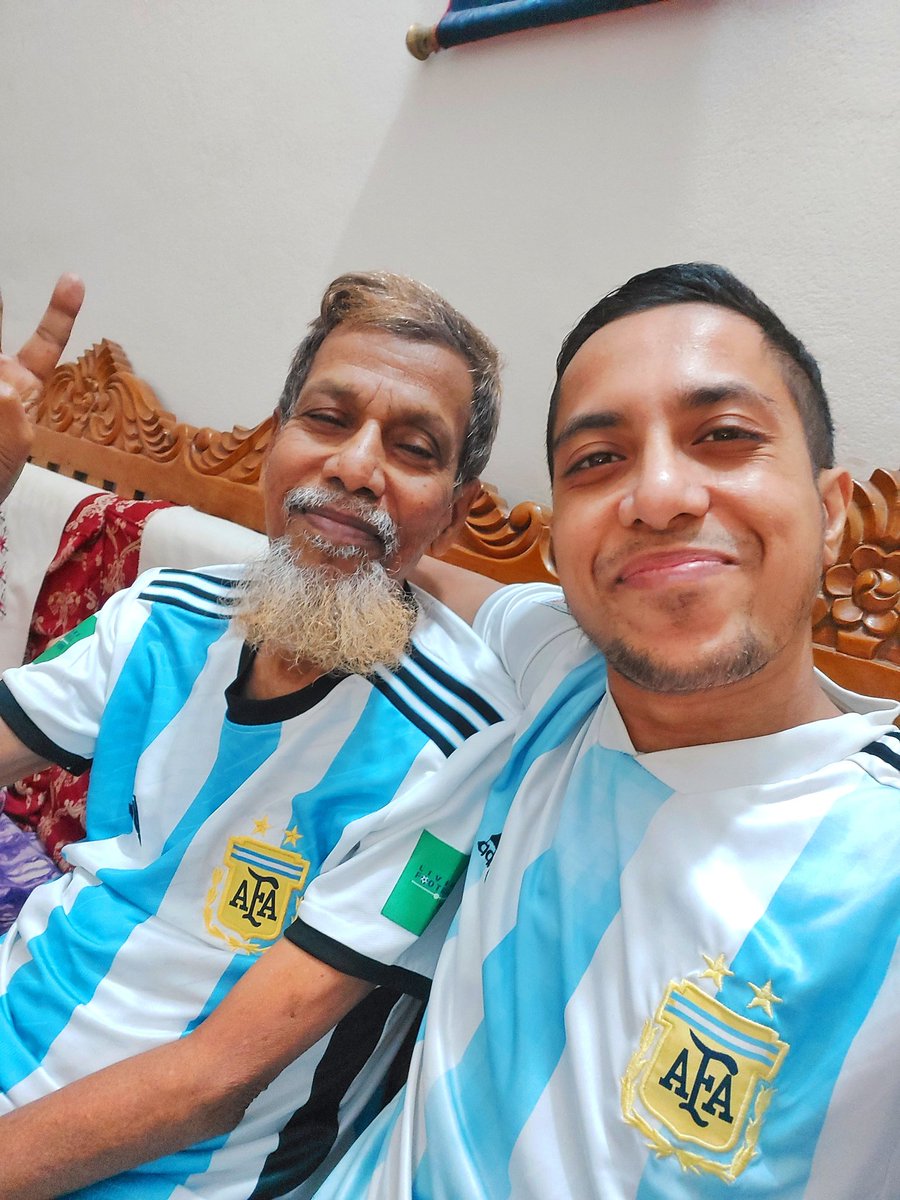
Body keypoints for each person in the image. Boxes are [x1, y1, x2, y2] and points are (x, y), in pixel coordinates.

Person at [317, 263, 900, 1199]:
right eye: (598, 461)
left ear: (830, 513)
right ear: (560, 552)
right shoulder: (561, 667)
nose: (660, 496)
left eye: (724, 435)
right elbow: (423, 573)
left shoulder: (878, 858)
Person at [0, 271, 521, 1199]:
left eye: (413, 448)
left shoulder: (455, 740)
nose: (358, 467)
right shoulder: (161, 615)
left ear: (451, 509)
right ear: (273, 444)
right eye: (327, 419)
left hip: (163, 1168)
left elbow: (214, 1084)